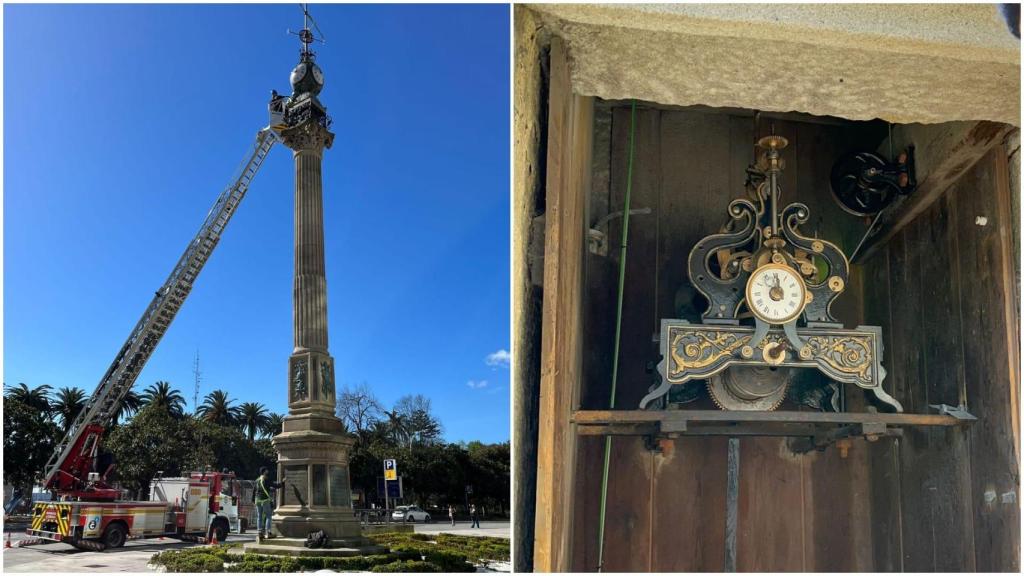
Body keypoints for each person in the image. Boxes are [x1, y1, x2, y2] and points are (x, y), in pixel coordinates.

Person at [255, 467, 285, 540]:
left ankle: (259, 532)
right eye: (266, 470)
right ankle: (268, 532)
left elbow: (254, 491)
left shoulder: (257, 480)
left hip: (257, 500)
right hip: (265, 500)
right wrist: (283, 482)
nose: (267, 471)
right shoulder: (266, 479)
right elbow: (276, 485)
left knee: (259, 517)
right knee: (268, 516)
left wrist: (253, 500)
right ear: (264, 472)